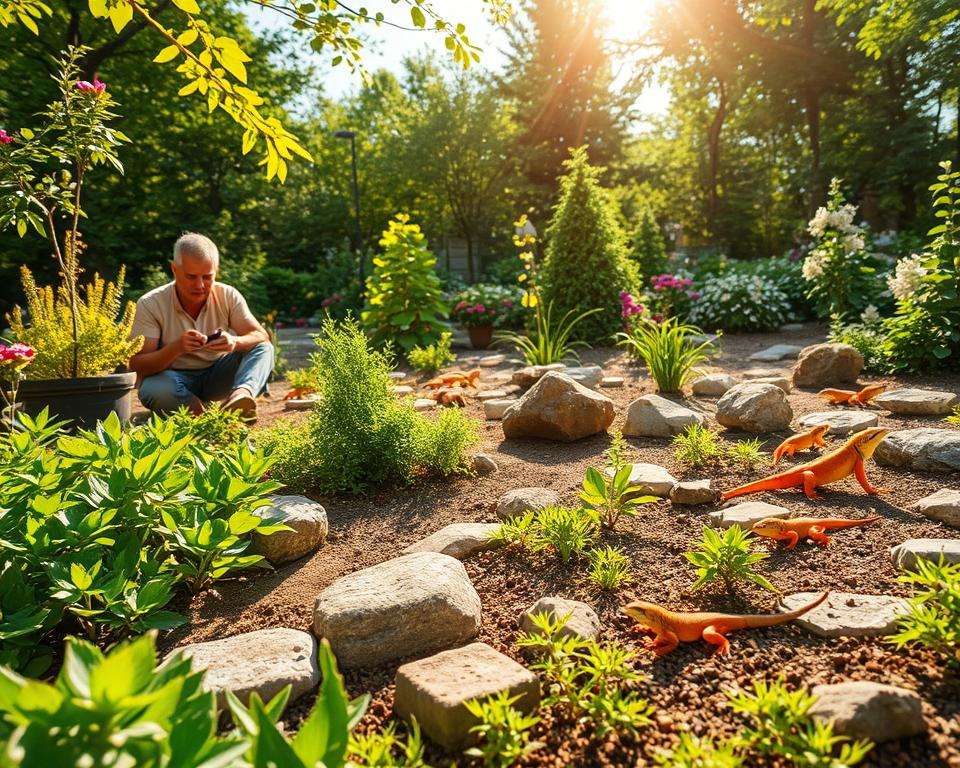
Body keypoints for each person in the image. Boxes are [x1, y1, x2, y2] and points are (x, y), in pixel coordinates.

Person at [128, 232, 273, 421]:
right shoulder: (150, 303)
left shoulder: (228, 295)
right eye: (191, 276)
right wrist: (177, 347)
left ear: (216, 271)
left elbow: (260, 336)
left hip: (217, 375)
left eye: (207, 277)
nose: (200, 285)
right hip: (172, 379)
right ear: (174, 269)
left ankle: (240, 398)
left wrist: (234, 342)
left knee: (264, 349)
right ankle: (203, 416)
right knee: (155, 389)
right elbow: (137, 364)